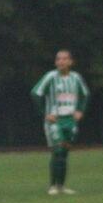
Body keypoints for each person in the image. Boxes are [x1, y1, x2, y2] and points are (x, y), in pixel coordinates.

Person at [31, 49, 89, 195]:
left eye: (64, 59)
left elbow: (85, 95)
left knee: (64, 153)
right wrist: (45, 113)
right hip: (55, 121)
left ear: (71, 62)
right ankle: (52, 186)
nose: (61, 62)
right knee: (57, 151)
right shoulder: (50, 76)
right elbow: (35, 93)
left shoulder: (75, 78)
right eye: (58, 59)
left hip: (70, 121)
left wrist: (80, 111)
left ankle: (61, 186)